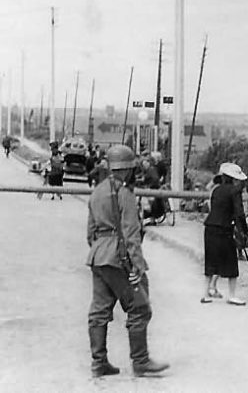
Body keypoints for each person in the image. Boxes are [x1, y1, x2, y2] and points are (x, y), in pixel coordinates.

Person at [86, 144, 169, 377]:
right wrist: (138, 266)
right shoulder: (124, 194)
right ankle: (140, 361)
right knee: (140, 307)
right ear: (128, 169)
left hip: (98, 256)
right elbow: (131, 232)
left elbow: (90, 231)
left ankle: (99, 362)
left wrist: (100, 250)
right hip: (119, 256)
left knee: (99, 311)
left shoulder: (98, 191)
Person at [201, 162, 248, 306]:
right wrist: (244, 231)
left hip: (210, 227)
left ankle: (205, 294)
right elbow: (239, 213)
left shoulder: (216, 190)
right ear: (234, 179)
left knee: (211, 259)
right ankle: (232, 295)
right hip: (224, 228)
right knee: (231, 261)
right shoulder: (234, 192)